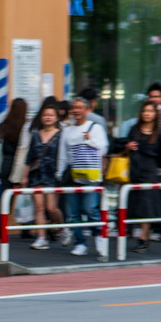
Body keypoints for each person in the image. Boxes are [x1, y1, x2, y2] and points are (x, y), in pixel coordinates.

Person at [119, 100, 161, 252]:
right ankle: (130, 234)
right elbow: (122, 149)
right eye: (144, 111)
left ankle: (143, 237)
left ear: (155, 114)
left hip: (150, 171)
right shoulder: (133, 130)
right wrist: (127, 147)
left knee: (147, 204)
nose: (147, 114)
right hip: (134, 169)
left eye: (150, 111)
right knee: (133, 203)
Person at [57, 95, 109, 255]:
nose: (76, 111)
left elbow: (104, 149)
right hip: (72, 174)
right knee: (72, 212)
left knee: (90, 209)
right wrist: (59, 172)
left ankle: (99, 233)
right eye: (74, 108)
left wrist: (89, 140)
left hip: (91, 174)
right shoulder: (66, 131)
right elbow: (63, 154)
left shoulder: (95, 128)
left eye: (80, 107)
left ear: (86, 110)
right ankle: (80, 243)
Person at [24, 103, 64, 249]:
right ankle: (41, 238)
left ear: (57, 118)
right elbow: (29, 157)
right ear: (41, 117)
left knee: (51, 208)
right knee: (39, 208)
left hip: (53, 174)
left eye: (51, 115)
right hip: (36, 174)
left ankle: (62, 229)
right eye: (45, 115)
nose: (48, 118)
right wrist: (25, 176)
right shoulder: (35, 134)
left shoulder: (61, 134)